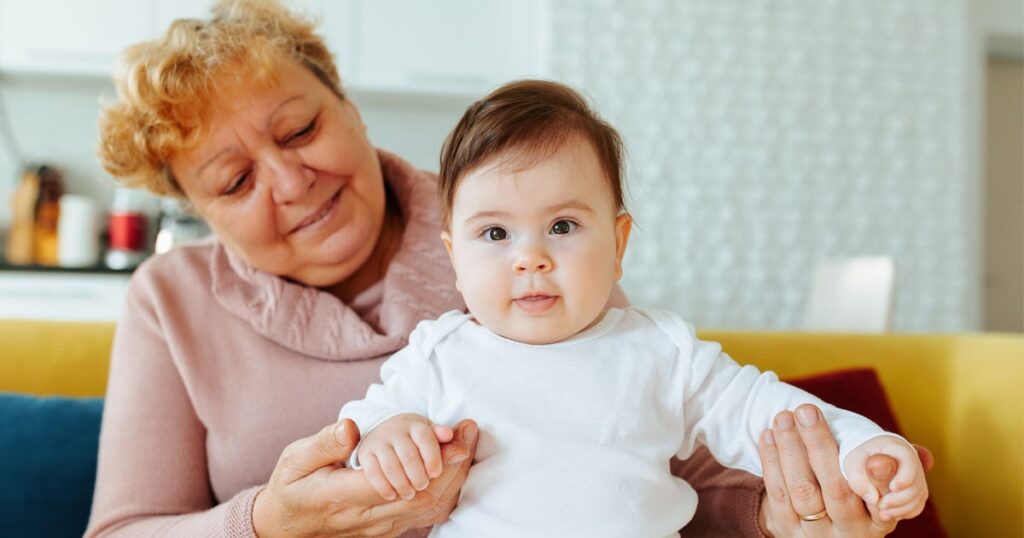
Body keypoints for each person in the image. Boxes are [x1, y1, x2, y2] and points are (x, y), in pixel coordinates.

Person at [86, 0, 931, 536]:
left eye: (300, 129)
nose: (289, 179)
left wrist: (800, 507)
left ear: (346, 100)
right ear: (196, 209)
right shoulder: (173, 300)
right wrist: (266, 524)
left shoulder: (534, 241)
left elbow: (673, 463)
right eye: (234, 181)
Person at [336, 80, 929, 537]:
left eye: (562, 226)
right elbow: (357, 432)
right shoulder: (439, 354)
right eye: (495, 235)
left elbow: (770, 414)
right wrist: (386, 435)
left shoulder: (663, 353)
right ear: (454, 261)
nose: (531, 258)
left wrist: (861, 448)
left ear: (618, 245)